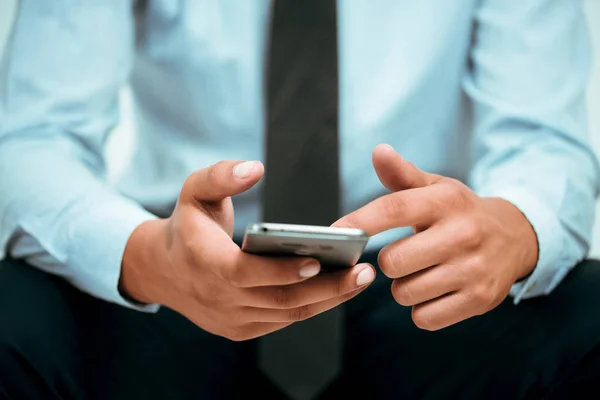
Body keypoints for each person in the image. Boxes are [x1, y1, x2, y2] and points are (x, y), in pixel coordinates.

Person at [1, 0, 599, 399]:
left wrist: (514, 230)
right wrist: (144, 258)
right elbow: (33, 141)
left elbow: (543, 140)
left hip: (418, 286)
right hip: (179, 284)